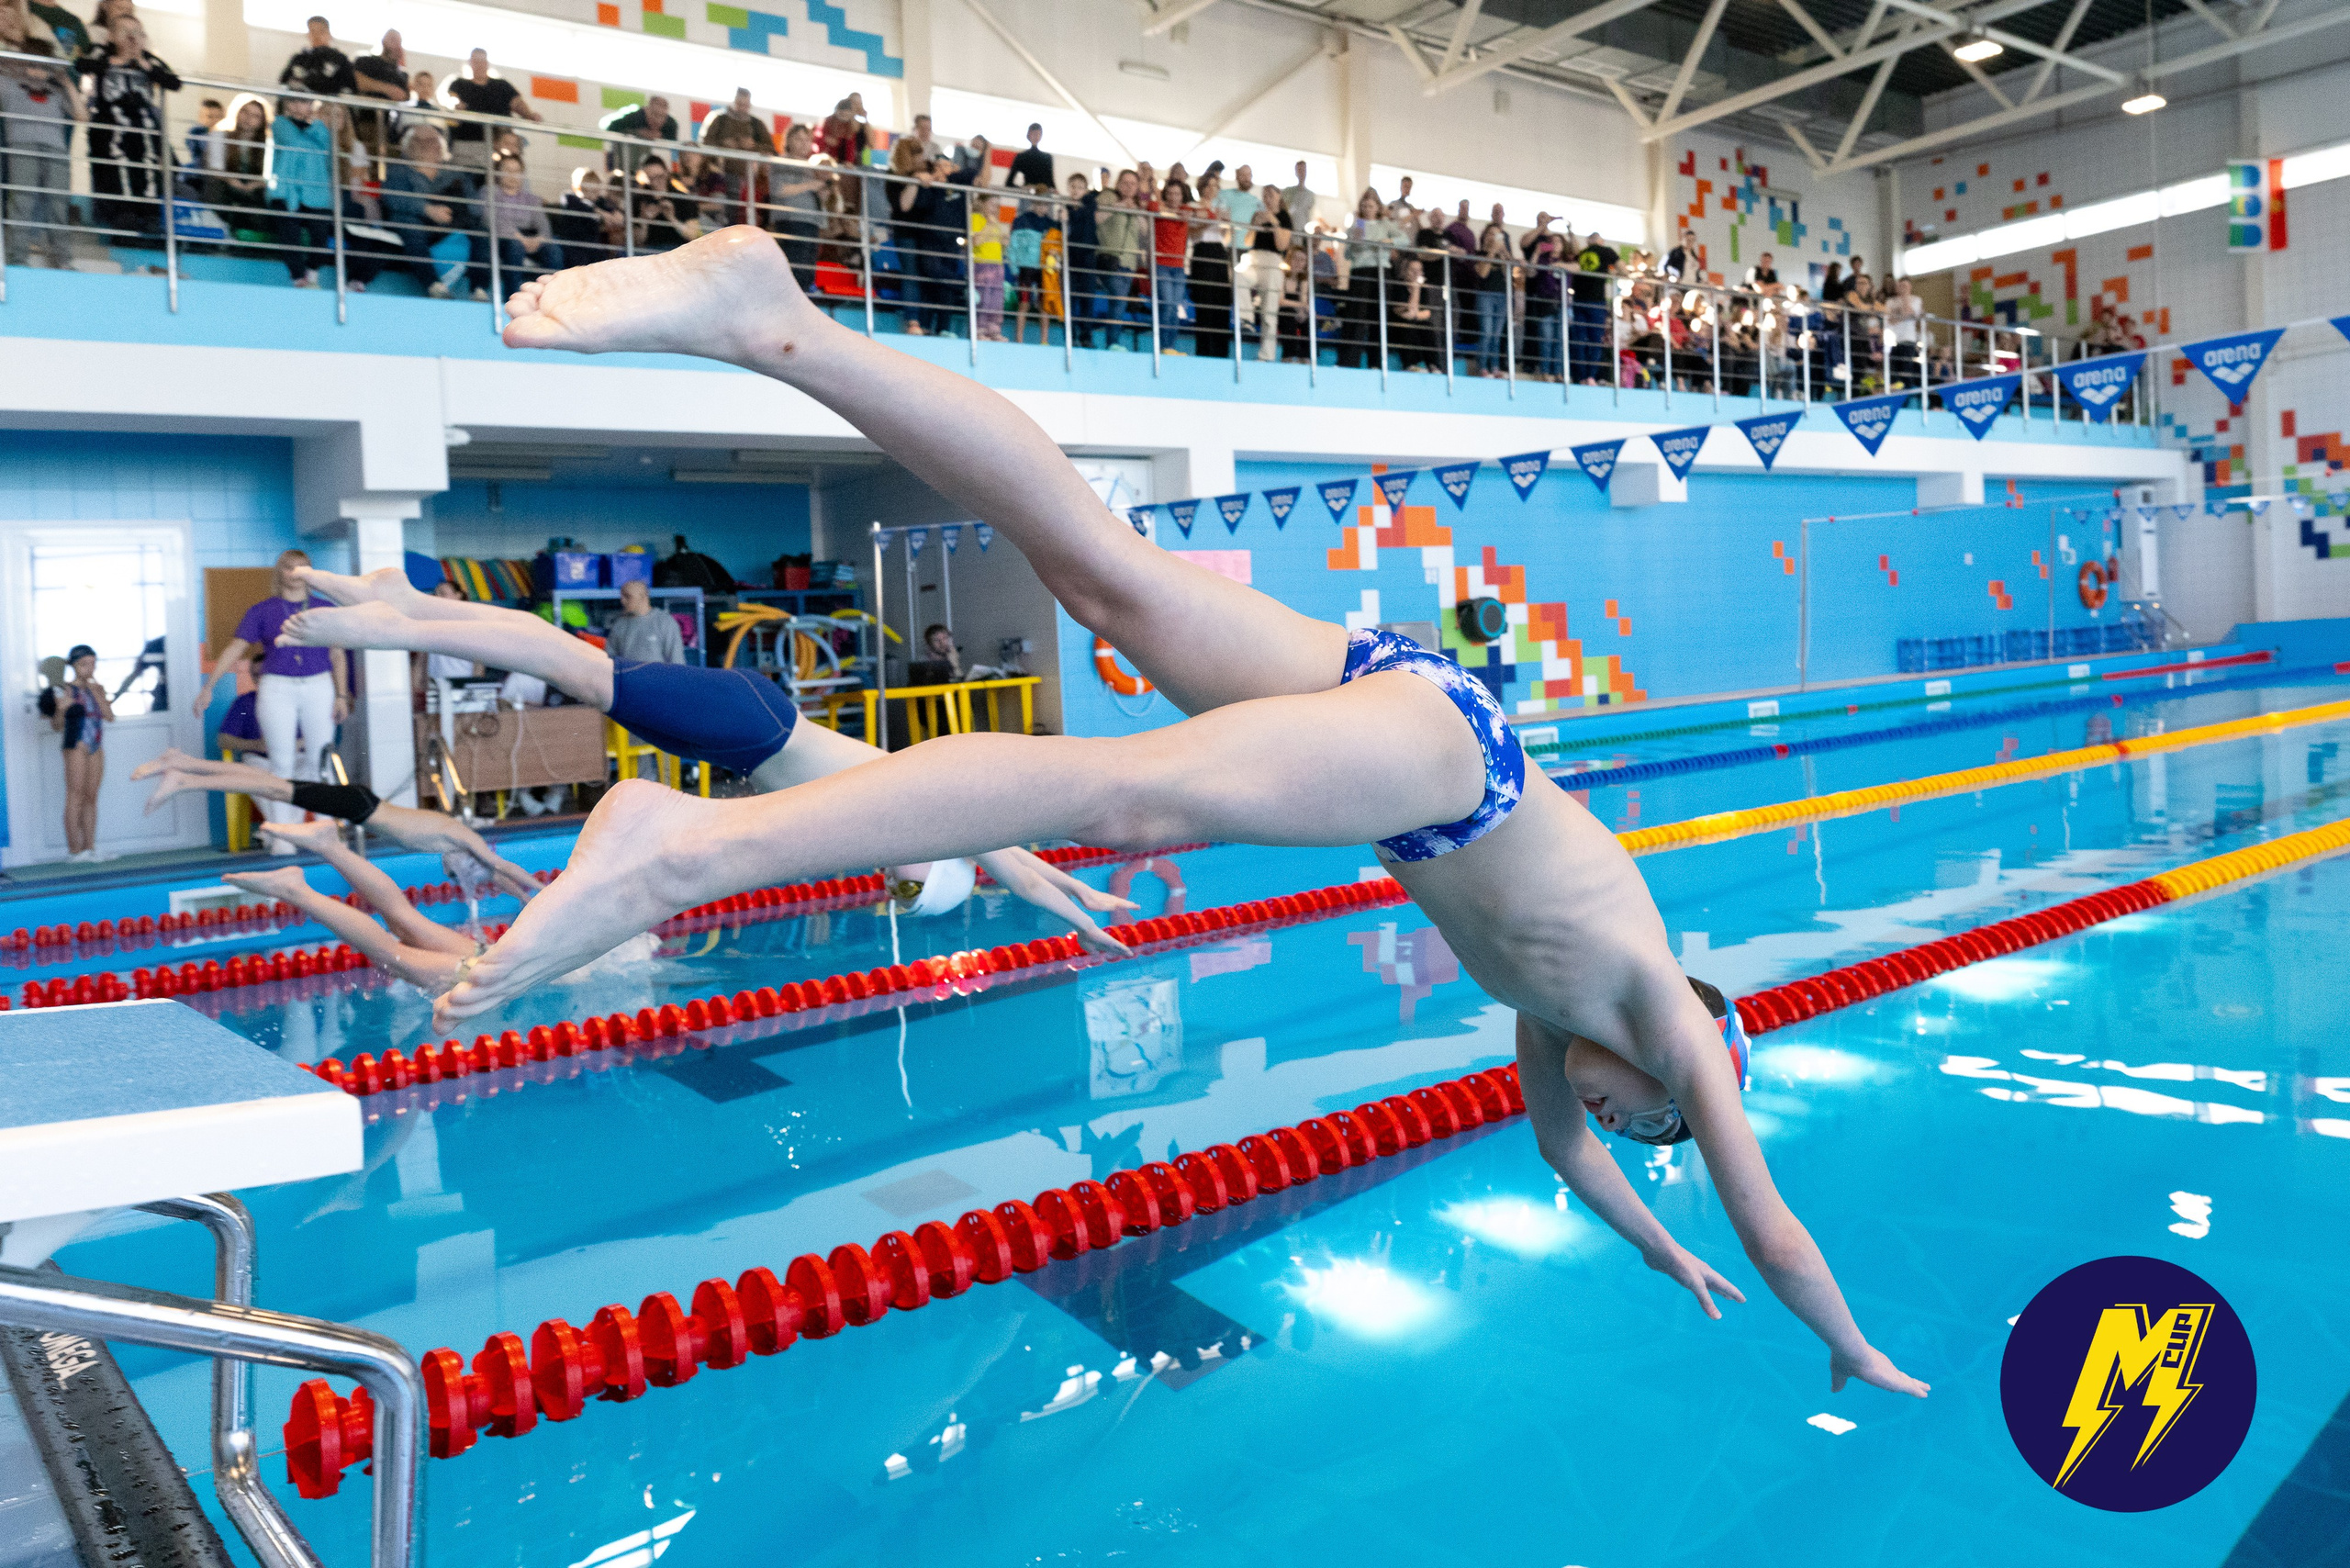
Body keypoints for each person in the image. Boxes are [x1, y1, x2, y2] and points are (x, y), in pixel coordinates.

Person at [441, 232, 1933, 1406]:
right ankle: (690, 847)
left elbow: (1570, 1158)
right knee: (1130, 795)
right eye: (1649, 1111)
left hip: (1418, 722)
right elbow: (1775, 1212)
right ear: (1696, 1057)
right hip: (1447, 769)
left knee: (1099, 569)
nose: (1622, 1113)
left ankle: (775, 322)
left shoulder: (1564, 1032)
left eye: (1634, 1119)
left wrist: (1663, 1250)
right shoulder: (1664, 1019)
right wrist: (1844, 1334)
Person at [270, 564, 1139, 948]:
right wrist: (1085, 904)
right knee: (563, 657)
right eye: (907, 884)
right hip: (750, 728)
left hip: (744, 728)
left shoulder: (899, 822)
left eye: (898, 890)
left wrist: (1089, 899)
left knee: (563, 656)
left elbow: (1018, 867)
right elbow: (1022, 865)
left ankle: (406, 601)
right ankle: (390, 623)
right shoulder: (945, 814)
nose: (891, 882)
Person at [134, 750, 542, 898]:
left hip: (358, 805)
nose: (458, 875)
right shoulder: (462, 837)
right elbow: (504, 869)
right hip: (359, 804)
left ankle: (184, 766)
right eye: (464, 872)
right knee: (274, 789)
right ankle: (184, 776)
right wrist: (541, 891)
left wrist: (524, 902)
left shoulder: (456, 849)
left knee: (273, 787)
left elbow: (498, 877)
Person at [221, 821, 528, 994]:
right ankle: (296, 890)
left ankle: (329, 844)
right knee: (392, 956)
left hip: (509, 965)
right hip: (507, 979)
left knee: (405, 922)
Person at [195, 550, 351, 849]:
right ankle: (283, 839)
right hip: (276, 687)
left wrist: (341, 694)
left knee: (322, 762)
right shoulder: (262, 610)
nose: (294, 573)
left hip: (319, 685)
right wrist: (209, 686)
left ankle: (323, 835)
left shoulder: (325, 608)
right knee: (281, 763)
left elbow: (337, 653)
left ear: (311, 572)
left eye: (301, 568)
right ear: (279, 572)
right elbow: (236, 648)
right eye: (288, 568)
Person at [77, 16, 178, 241]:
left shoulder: (149, 60)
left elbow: (174, 82)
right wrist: (115, 61)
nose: (132, 38)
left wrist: (147, 67)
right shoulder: (101, 53)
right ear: (112, 36)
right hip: (112, 119)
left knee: (148, 162)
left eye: (137, 33)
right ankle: (124, 212)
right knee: (118, 161)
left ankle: (150, 213)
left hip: (143, 122)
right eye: (125, 31)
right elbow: (82, 65)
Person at [0, 18, 79, 269]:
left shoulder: (56, 91)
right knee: (22, 200)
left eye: (43, 65)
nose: (37, 70)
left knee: (58, 204)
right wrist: (14, 59)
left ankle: (62, 259)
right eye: (32, 63)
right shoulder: (8, 85)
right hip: (22, 145)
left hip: (55, 149)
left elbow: (81, 114)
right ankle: (17, 258)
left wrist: (65, 81)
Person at [383, 124, 486, 298]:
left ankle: (479, 290)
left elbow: (475, 207)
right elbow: (393, 199)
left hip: (451, 222)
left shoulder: (455, 173)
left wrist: (458, 209)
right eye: (420, 141)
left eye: (433, 140)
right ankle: (434, 286)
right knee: (408, 223)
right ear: (409, 147)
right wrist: (427, 209)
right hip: (416, 224)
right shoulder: (399, 170)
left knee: (482, 232)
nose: (428, 145)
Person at [46, 645, 113, 861]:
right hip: (75, 744)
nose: (89, 669)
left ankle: (90, 847)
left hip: (96, 743)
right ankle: (74, 850)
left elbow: (109, 716)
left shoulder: (98, 688)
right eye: (84, 664)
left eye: (93, 664)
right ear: (74, 666)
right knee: (75, 796)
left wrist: (97, 693)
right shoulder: (65, 690)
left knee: (91, 797)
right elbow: (56, 726)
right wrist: (61, 709)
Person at [271, 94, 337, 286]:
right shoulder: (280, 124)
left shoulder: (320, 128)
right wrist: (315, 134)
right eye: (294, 101)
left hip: (316, 192)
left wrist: (316, 126)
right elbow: (293, 142)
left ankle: (312, 272)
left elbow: (327, 148)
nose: (299, 105)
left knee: (321, 236)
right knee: (290, 233)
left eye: (304, 101)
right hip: (286, 191)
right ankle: (298, 276)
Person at [445, 48, 538, 184]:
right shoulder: (459, 84)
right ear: (470, 63)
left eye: (483, 61)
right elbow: (452, 102)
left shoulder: (502, 85)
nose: (480, 65)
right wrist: (456, 107)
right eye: (476, 61)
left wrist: (530, 115)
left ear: (487, 63)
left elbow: (518, 104)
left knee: (511, 175)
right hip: (469, 145)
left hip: (500, 146)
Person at [1091, 169, 1146, 349]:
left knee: (1119, 303)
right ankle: (1112, 342)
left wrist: (1136, 210)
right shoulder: (1108, 197)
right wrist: (1119, 206)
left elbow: (1144, 231)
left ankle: (1113, 343)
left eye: (1133, 184)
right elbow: (1096, 218)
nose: (1129, 187)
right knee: (1119, 298)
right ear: (1118, 184)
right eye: (1126, 183)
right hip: (1109, 259)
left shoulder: (1137, 206)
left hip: (1128, 264)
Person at [767, 123, 824, 288]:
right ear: (788, 140)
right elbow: (778, 189)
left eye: (807, 140)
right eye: (799, 139)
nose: (804, 143)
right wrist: (809, 185)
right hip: (791, 221)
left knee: (807, 270)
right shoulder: (781, 161)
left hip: (811, 222)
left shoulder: (811, 166)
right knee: (794, 269)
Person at [487, 152, 562, 279]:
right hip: (502, 239)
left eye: (517, 171)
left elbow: (543, 225)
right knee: (515, 246)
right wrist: (521, 239)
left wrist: (539, 239)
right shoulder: (489, 192)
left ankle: (550, 291)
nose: (513, 175)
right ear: (498, 173)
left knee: (553, 249)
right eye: (508, 170)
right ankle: (513, 294)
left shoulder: (531, 199)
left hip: (528, 238)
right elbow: (494, 220)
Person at [1237, 186, 1290, 362]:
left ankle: (1267, 355)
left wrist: (1274, 223)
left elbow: (1282, 245)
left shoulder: (1284, 217)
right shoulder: (1257, 214)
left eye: (1271, 195)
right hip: (1254, 258)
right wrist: (1255, 226)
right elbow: (1248, 241)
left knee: (1269, 312)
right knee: (1239, 276)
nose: (1267, 198)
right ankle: (1246, 318)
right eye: (1265, 195)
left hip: (1273, 261)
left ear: (1278, 196)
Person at [349, 28, 408, 165]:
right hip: (364, 123)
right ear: (383, 42)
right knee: (363, 164)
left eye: (399, 42)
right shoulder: (366, 61)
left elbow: (403, 96)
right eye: (393, 40)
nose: (396, 45)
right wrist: (387, 89)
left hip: (391, 130)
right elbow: (356, 81)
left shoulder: (402, 74)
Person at [1519, 216, 1566, 381]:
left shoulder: (1565, 260)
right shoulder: (1541, 257)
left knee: (1560, 339)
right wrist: (1538, 251)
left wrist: (1561, 265)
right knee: (1545, 337)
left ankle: (1558, 372)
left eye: (1557, 242)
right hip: (1543, 300)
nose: (1554, 245)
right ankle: (1545, 370)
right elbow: (1531, 271)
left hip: (1562, 303)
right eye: (1552, 242)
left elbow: (1577, 266)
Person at [1569, 230, 1617, 384]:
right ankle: (1590, 376)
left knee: (1580, 340)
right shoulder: (1607, 251)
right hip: (1596, 301)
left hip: (1580, 299)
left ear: (1588, 241)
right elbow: (1621, 266)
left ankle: (1582, 376)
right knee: (1595, 340)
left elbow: (1574, 258)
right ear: (1601, 241)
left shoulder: (1582, 253)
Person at [602, 577, 681, 664]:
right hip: (628, 676)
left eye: (628, 597)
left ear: (643, 597)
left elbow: (677, 660)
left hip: (657, 676)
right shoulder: (619, 625)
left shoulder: (664, 622)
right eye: (622, 596)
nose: (622, 601)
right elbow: (609, 659)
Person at [1008, 193, 1052, 345]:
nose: (1042, 208)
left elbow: (1057, 248)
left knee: (1044, 306)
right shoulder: (1022, 220)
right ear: (1033, 203)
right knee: (1024, 303)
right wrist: (1014, 268)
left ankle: (1044, 340)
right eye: (1039, 204)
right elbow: (1012, 246)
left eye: (1045, 204)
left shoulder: (1051, 223)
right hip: (1025, 268)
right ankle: (1019, 339)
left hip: (1044, 270)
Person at [599, 94, 676, 177]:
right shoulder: (635, 118)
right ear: (647, 110)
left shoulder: (670, 124)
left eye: (661, 117)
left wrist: (659, 136)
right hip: (627, 166)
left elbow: (673, 143)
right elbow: (612, 127)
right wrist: (638, 133)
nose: (657, 121)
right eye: (654, 115)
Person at [278, 15, 352, 99]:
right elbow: (284, 81)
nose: (316, 36)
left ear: (329, 34)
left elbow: (349, 88)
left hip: (328, 106)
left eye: (321, 31)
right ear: (308, 34)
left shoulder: (340, 59)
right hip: (300, 105)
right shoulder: (299, 59)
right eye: (312, 31)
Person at [699, 87, 771, 154]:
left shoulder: (757, 124)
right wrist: (723, 144)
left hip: (749, 167)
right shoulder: (718, 119)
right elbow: (702, 144)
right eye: (739, 104)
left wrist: (754, 146)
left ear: (749, 105)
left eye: (745, 105)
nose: (742, 108)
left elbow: (771, 149)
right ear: (733, 102)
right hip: (719, 166)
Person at [1008, 120, 1052, 191]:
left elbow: (1050, 181)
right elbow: (1009, 182)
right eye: (1034, 133)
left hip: (1043, 193)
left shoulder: (1047, 157)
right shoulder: (1021, 157)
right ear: (1029, 135)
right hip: (1028, 193)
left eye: (1038, 134)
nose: (1036, 136)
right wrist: (1022, 188)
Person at [1278, 159, 1313, 226]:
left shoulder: (1310, 195)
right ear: (1296, 172)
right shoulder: (1287, 191)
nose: (1302, 173)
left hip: (1303, 229)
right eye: (1299, 170)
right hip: (1287, 226)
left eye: (1303, 170)